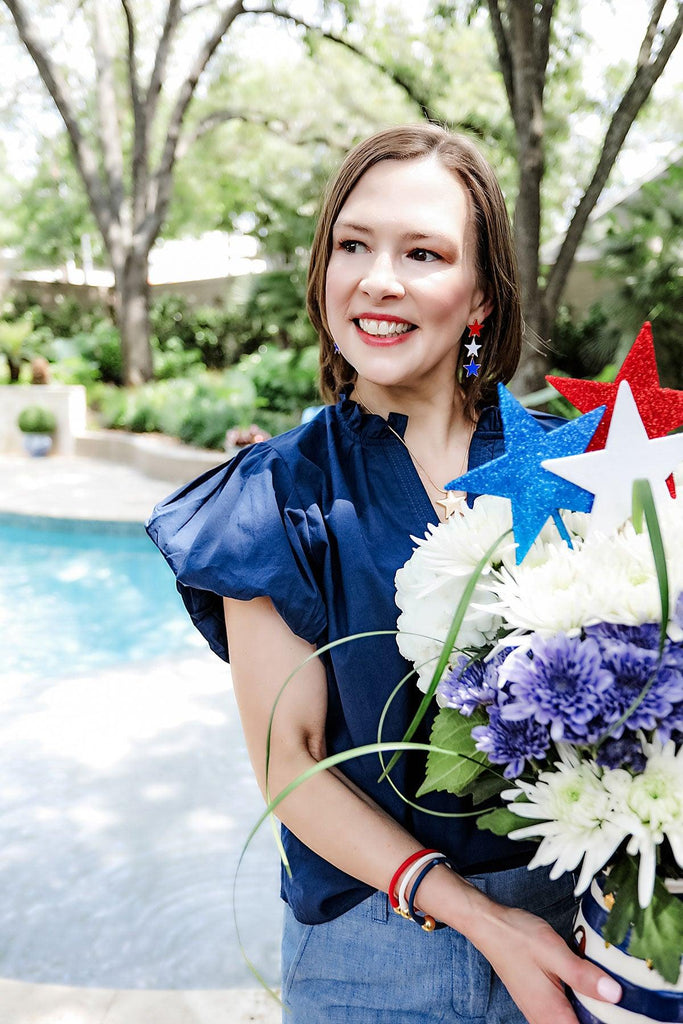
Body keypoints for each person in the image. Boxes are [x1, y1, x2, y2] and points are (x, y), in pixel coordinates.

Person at [146, 123, 623, 1024]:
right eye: (353, 245)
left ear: (479, 293)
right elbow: (290, 765)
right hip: (372, 965)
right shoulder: (278, 495)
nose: (378, 279)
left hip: (586, 944)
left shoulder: (581, 471)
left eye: (424, 253)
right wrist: (482, 920)